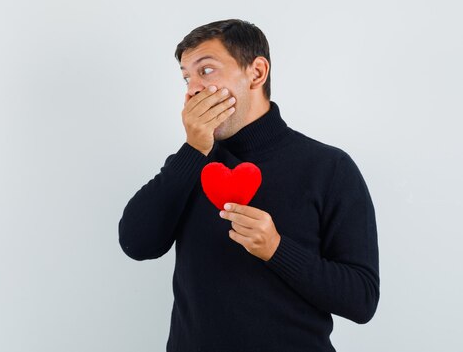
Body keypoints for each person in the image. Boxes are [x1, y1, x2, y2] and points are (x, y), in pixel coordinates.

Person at [118, 19, 380, 352]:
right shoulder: (191, 164)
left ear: (256, 73)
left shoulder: (329, 168)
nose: (191, 88)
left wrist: (276, 249)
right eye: (186, 77)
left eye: (206, 70)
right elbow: (136, 244)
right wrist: (194, 150)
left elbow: (362, 300)